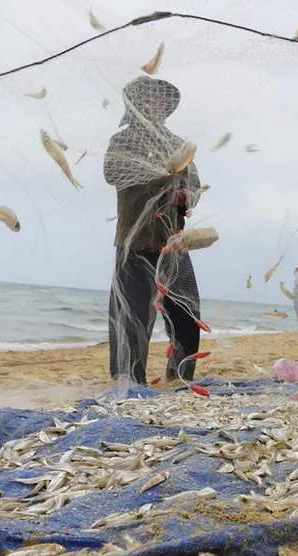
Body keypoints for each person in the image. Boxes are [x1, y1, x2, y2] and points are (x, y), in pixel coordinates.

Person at [103, 75, 203, 385]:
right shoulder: (122, 141)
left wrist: (186, 193)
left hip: (172, 245)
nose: (153, 103)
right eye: (146, 98)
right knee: (130, 320)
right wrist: (162, 173)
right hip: (134, 244)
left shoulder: (179, 145)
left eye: (159, 99)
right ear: (133, 104)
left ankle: (178, 379)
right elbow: (113, 173)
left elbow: (195, 186)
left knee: (186, 317)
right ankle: (131, 383)